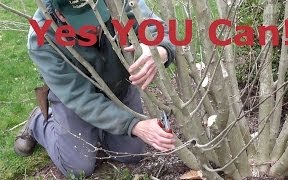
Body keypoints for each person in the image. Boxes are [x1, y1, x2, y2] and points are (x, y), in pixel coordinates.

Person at [14, 0, 176, 177]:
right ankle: (38, 122)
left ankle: (99, 126)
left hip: (118, 86)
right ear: (59, 15)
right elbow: (79, 97)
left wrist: (159, 48)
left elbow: (155, 26)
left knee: (132, 153)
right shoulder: (42, 37)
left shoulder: (116, 1)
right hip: (75, 97)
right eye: (83, 21)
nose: (96, 26)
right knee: (77, 167)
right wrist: (133, 125)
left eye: (97, 14)